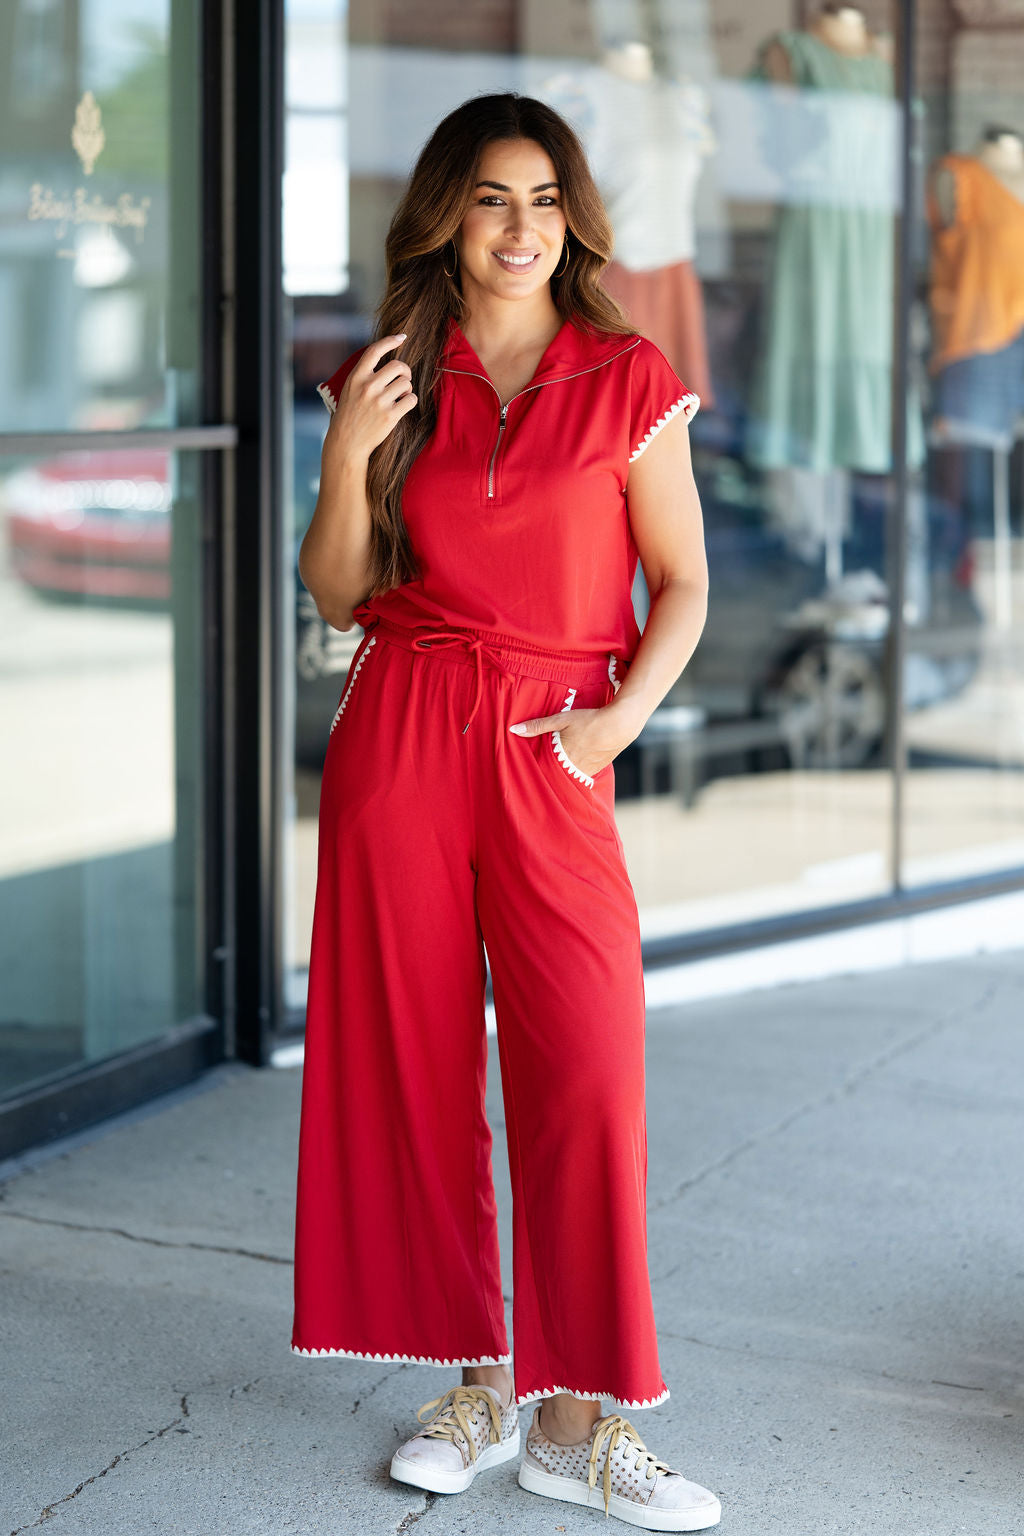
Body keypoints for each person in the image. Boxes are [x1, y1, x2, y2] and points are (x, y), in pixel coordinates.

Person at [292, 92, 718, 1531]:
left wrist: (615, 723)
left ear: (572, 219)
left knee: (587, 1068)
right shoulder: (396, 373)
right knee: (411, 1067)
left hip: (552, 743)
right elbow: (338, 591)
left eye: (543, 199)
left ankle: (576, 1423)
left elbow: (685, 583)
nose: (519, 226)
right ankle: (474, 1383)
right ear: (447, 216)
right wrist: (347, 450)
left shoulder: (627, 374)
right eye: (490, 197)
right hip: (403, 732)